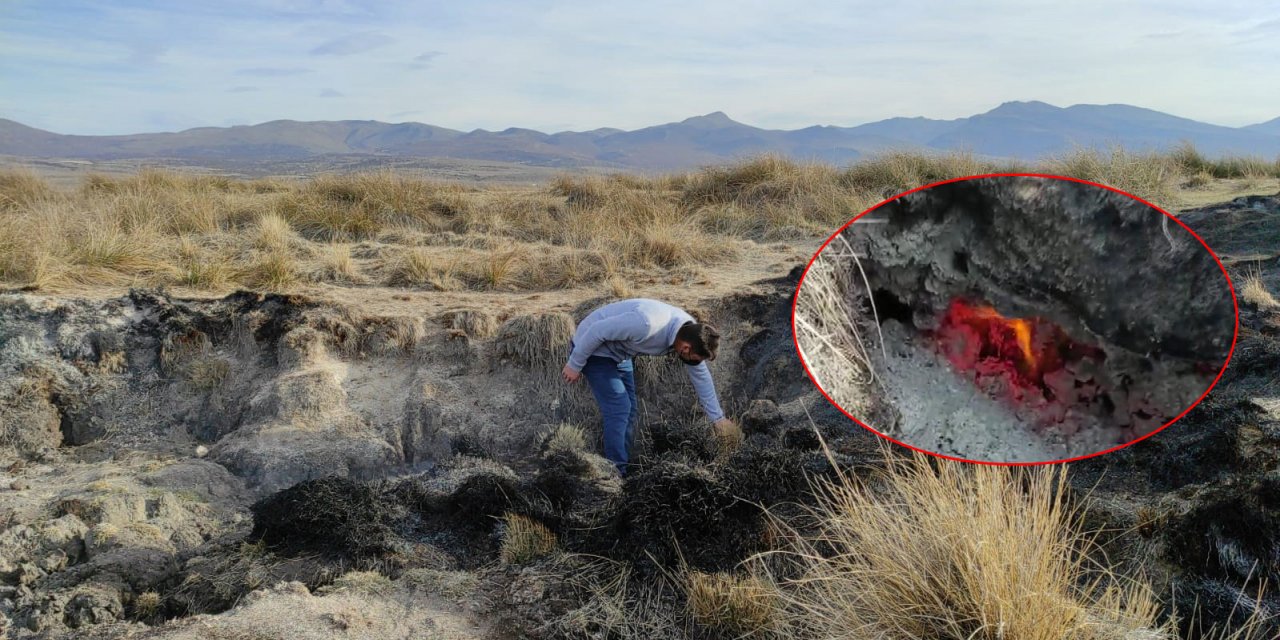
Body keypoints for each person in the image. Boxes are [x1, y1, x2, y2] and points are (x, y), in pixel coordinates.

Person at [562, 298, 735, 476]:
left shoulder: (689, 331)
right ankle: (615, 473)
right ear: (685, 348)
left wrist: (718, 418)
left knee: (630, 409)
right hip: (593, 348)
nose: (695, 364)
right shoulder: (646, 324)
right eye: (695, 359)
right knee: (619, 408)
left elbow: (701, 376)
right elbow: (596, 330)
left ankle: (622, 464)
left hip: (620, 353)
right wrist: (575, 364)